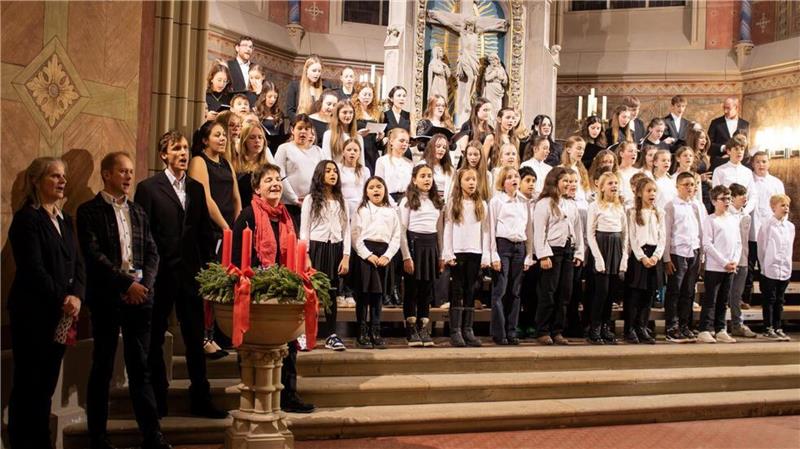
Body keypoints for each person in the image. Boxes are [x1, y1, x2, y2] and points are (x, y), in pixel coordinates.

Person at [77, 152, 170, 449]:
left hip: (140, 296)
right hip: (108, 296)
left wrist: (145, 285)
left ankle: (152, 435)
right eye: (122, 171)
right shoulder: (88, 211)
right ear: (106, 174)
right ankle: (98, 437)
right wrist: (126, 284)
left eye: (131, 171)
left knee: (141, 367)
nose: (129, 177)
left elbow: (153, 252)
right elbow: (94, 255)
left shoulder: (138, 211)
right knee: (102, 366)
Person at [134, 131, 227, 420]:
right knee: (154, 341)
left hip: (190, 277)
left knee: (195, 339)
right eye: (177, 149)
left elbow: (203, 233)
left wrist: (209, 270)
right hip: (159, 277)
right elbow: (142, 236)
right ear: (164, 155)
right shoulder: (149, 188)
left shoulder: (197, 189)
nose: (183, 153)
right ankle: (157, 399)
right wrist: (143, 277)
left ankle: (201, 398)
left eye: (186, 148)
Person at [7, 157, 85, 449]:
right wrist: (62, 297)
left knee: (47, 385)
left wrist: (77, 295)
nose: (62, 181)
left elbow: (78, 264)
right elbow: (32, 269)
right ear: (36, 181)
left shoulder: (65, 220)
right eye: (54, 176)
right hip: (33, 313)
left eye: (63, 176)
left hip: (63, 313)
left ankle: (41, 441)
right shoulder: (27, 219)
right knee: (29, 383)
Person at [230, 163, 315, 413]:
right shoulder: (248, 215)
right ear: (257, 188)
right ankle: (253, 394)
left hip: (284, 291)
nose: (276, 183)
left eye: (278, 179)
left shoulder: (287, 217)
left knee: (289, 346)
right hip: (257, 293)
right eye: (268, 180)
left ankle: (289, 395)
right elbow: (238, 257)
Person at [188, 119, 242, 355]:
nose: (222, 138)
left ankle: (220, 333)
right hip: (209, 231)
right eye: (217, 135)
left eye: (224, 135)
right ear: (204, 140)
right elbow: (206, 198)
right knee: (208, 284)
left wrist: (237, 226)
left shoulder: (226, 163)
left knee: (225, 283)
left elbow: (236, 197)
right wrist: (224, 226)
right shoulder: (199, 161)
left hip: (228, 230)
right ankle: (204, 337)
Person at [300, 161, 351, 351]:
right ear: (320, 174)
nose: (332, 174)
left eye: (335, 171)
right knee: (311, 293)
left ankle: (331, 334)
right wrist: (305, 254)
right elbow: (304, 230)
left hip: (335, 248)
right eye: (328, 171)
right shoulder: (311, 199)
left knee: (331, 293)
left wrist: (346, 255)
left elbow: (346, 230)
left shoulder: (341, 200)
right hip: (316, 248)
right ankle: (305, 333)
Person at [533, 167, 584, 346]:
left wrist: (579, 251)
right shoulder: (545, 203)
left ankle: (558, 330)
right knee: (549, 292)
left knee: (564, 293)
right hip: (552, 252)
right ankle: (543, 330)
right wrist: (543, 255)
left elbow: (577, 229)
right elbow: (539, 231)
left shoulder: (571, 204)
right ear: (555, 182)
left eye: (572, 181)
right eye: (566, 181)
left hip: (568, 251)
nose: (570, 185)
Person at [349, 176, 401, 349]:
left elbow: (396, 236)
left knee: (378, 296)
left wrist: (388, 255)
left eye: (379, 187)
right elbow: (355, 234)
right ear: (366, 192)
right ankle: (362, 332)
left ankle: (376, 331)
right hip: (366, 254)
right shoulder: (361, 209)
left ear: (385, 189)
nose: (376, 190)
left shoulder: (391, 211)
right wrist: (366, 254)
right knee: (364, 295)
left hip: (384, 255)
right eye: (371, 187)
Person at [443, 168, 491, 347]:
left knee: (471, 290)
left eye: (474, 179)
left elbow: (485, 231)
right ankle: (455, 330)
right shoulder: (453, 203)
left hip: (475, 251)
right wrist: (448, 252)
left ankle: (468, 329)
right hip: (458, 251)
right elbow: (448, 228)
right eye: (468, 179)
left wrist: (485, 254)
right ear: (460, 182)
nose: (471, 183)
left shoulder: (482, 204)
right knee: (457, 290)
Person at [399, 164, 444, 347]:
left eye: (429, 176)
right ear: (414, 179)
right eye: (423, 176)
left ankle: (423, 325)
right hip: (413, 245)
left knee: (427, 289)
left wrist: (441, 255)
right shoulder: (407, 201)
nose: (427, 179)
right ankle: (410, 328)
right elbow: (402, 231)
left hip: (431, 246)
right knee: (412, 289)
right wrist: (406, 256)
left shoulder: (437, 202)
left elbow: (439, 230)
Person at [487, 167, 534, 345]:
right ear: (503, 181)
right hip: (502, 246)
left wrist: (529, 254)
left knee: (515, 292)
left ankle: (511, 330)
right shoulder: (497, 201)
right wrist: (493, 254)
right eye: (509, 177)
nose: (514, 179)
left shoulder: (524, 202)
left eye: (516, 176)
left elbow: (528, 228)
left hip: (519, 247)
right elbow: (491, 229)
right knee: (500, 290)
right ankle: (499, 332)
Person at [663, 171, 706, 343]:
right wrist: (667, 257)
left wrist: (702, 254)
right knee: (675, 291)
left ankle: (684, 324)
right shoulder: (671, 206)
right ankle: (671, 326)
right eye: (686, 185)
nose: (689, 188)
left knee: (689, 292)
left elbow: (701, 231)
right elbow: (666, 233)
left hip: (693, 251)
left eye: (692, 185)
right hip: (677, 252)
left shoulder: (697, 206)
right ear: (678, 186)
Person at [586, 172, 628, 345]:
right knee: (601, 292)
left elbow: (625, 234)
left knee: (611, 292)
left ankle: (605, 326)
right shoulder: (595, 206)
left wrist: (624, 258)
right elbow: (590, 233)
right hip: (602, 248)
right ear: (601, 187)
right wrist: (598, 258)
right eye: (610, 183)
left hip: (616, 248)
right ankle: (594, 327)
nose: (614, 186)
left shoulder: (620, 207)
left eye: (616, 183)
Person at [698, 185, 741, 344]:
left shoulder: (733, 219)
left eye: (729, 198)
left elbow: (738, 242)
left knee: (724, 300)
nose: (727, 201)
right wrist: (723, 262)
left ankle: (720, 329)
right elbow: (708, 244)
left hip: (730, 266)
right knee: (711, 299)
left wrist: (734, 261)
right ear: (714, 201)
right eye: (723, 199)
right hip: (715, 267)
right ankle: (704, 329)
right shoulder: (710, 220)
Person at [625, 177, 664, 345]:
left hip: (654, 255)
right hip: (639, 256)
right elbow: (632, 237)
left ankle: (642, 326)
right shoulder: (633, 212)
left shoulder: (660, 212)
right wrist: (642, 257)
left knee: (648, 295)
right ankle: (630, 328)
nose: (652, 194)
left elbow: (662, 237)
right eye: (648, 191)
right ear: (640, 193)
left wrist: (656, 256)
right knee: (635, 295)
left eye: (654, 191)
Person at [744, 151, 785, 307]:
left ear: (769, 163)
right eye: (758, 162)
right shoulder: (748, 181)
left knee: (767, 266)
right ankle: (745, 298)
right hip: (751, 230)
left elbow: (782, 206)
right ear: (753, 164)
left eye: (764, 161)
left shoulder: (776, 183)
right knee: (748, 266)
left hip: (770, 232)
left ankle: (767, 299)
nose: (761, 165)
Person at [273, 114, 328, 228]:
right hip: (289, 205)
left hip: (313, 203)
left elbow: (323, 176)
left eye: (307, 129)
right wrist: (294, 199)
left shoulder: (318, 151)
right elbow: (279, 175)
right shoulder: (284, 148)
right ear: (293, 130)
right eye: (300, 128)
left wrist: (316, 198)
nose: (303, 131)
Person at [757, 194, 794, 341]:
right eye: (782, 205)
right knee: (769, 299)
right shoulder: (767, 225)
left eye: (787, 206)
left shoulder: (790, 227)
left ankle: (778, 327)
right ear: (773, 207)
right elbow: (762, 247)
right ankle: (768, 327)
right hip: (769, 268)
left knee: (780, 299)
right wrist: (763, 265)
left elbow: (789, 247)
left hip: (784, 268)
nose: (785, 208)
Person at [726, 183, 757, 338]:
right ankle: (718, 325)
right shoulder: (726, 215)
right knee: (723, 293)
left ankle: (737, 324)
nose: (744, 197)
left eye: (745, 194)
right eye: (741, 194)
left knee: (737, 294)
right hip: (729, 260)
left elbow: (744, 241)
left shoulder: (746, 216)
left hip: (743, 259)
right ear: (732, 198)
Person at [711, 134, 755, 214]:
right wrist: (733, 210)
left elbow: (753, 196)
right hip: (725, 213)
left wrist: (744, 211)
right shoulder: (719, 170)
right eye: (736, 149)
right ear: (728, 151)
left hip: (743, 213)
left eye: (742, 149)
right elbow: (717, 195)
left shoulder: (748, 172)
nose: (739, 152)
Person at [707, 96, 750, 169]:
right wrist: (724, 148)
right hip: (719, 164)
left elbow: (745, 147)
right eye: (724, 108)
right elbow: (708, 145)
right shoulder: (715, 123)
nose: (725, 111)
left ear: (736, 108)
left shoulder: (745, 124)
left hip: (739, 165)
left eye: (728, 108)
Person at [286, 55, 330, 120]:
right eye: (314, 71)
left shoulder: (324, 88)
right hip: (300, 125)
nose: (317, 74)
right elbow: (290, 111)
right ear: (306, 70)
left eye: (319, 71)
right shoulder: (294, 86)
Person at [322, 99, 365, 166]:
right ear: (338, 114)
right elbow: (327, 160)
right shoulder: (329, 134)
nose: (348, 116)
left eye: (351, 112)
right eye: (344, 112)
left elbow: (361, 162)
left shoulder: (359, 137)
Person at [353, 81, 384, 174]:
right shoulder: (353, 111)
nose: (367, 97)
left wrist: (379, 138)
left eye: (370, 95)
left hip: (372, 150)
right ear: (358, 95)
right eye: (365, 94)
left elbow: (374, 139)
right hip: (359, 148)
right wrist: (357, 134)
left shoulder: (375, 113)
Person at [256, 81, 289, 155]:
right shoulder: (256, 113)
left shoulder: (279, 114)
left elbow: (281, 136)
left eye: (275, 97)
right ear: (263, 96)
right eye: (270, 96)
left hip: (275, 151)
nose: (272, 100)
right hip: (260, 150)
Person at [685, 128, 713, 213]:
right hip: (695, 191)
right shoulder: (688, 155)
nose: (704, 141)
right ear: (694, 139)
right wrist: (699, 178)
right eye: (701, 138)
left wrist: (708, 180)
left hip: (706, 190)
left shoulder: (703, 156)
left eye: (705, 138)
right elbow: (685, 174)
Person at [616, 141, 639, 209]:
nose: (634, 154)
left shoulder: (639, 173)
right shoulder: (615, 173)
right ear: (621, 154)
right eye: (630, 151)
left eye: (635, 152)